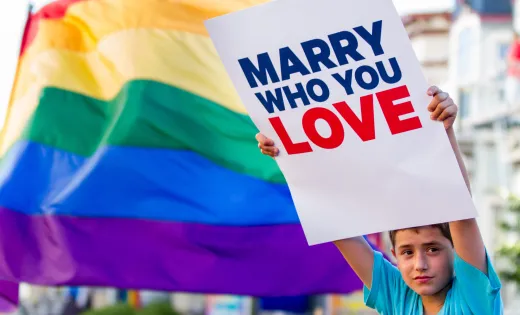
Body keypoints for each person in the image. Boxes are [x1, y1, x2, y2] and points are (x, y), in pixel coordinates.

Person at [256, 86, 503, 314]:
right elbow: (334, 221)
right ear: (394, 254)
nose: (420, 264)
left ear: (456, 252)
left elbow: (458, 207)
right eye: (407, 252)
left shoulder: (474, 296)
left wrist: (444, 130)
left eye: (433, 249)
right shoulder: (397, 295)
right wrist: (286, 151)